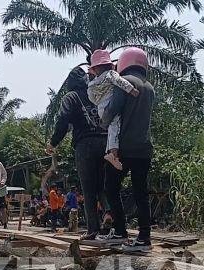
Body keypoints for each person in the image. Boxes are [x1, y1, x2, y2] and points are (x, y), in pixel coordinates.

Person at [99, 47, 156, 250]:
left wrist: (103, 122)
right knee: (141, 192)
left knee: (111, 187)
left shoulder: (125, 83)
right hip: (144, 149)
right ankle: (144, 238)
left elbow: (112, 110)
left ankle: (120, 231)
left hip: (124, 148)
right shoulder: (149, 87)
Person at [47, 66, 109, 241]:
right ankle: (110, 214)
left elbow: (63, 120)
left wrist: (53, 142)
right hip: (105, 141)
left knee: (89, 188)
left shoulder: (71, 97)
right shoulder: (95, 94)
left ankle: (93, 230)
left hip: (85, 143)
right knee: (104, 185)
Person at [86, 49, 140, 171]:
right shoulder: (111, 74)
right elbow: (120, 81)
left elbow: (91, 98)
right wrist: (132, 90)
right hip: (111, 105)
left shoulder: (92, 84)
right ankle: (114, 154)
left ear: (94, 70)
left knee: (111, 129)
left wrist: (100, 102)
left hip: (101, 109)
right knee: (115, 127)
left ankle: (110, 152)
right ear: (110, 65)